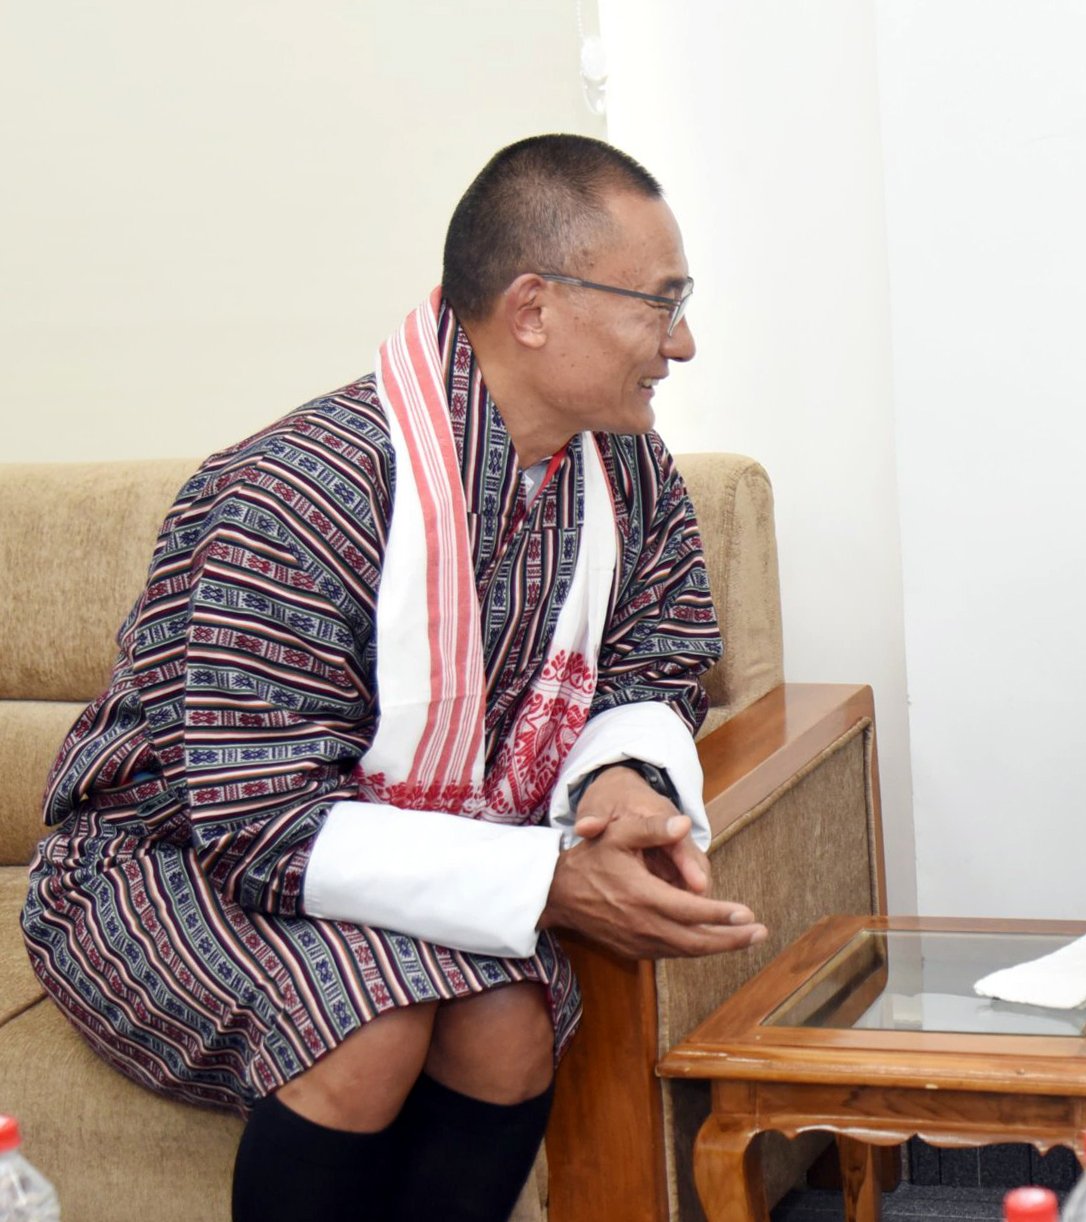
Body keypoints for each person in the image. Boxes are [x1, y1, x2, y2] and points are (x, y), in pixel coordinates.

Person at [21, 134, 768, 1222]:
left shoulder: (627, 466)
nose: (684, 343)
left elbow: (656, 658)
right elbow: (261, 821)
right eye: (660, 303)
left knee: (508, 1026)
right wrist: (553, 883)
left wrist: (624, 784)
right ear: (532, 308)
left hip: (395, 851)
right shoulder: (301, 493)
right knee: (369, 1026)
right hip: (171, 855)